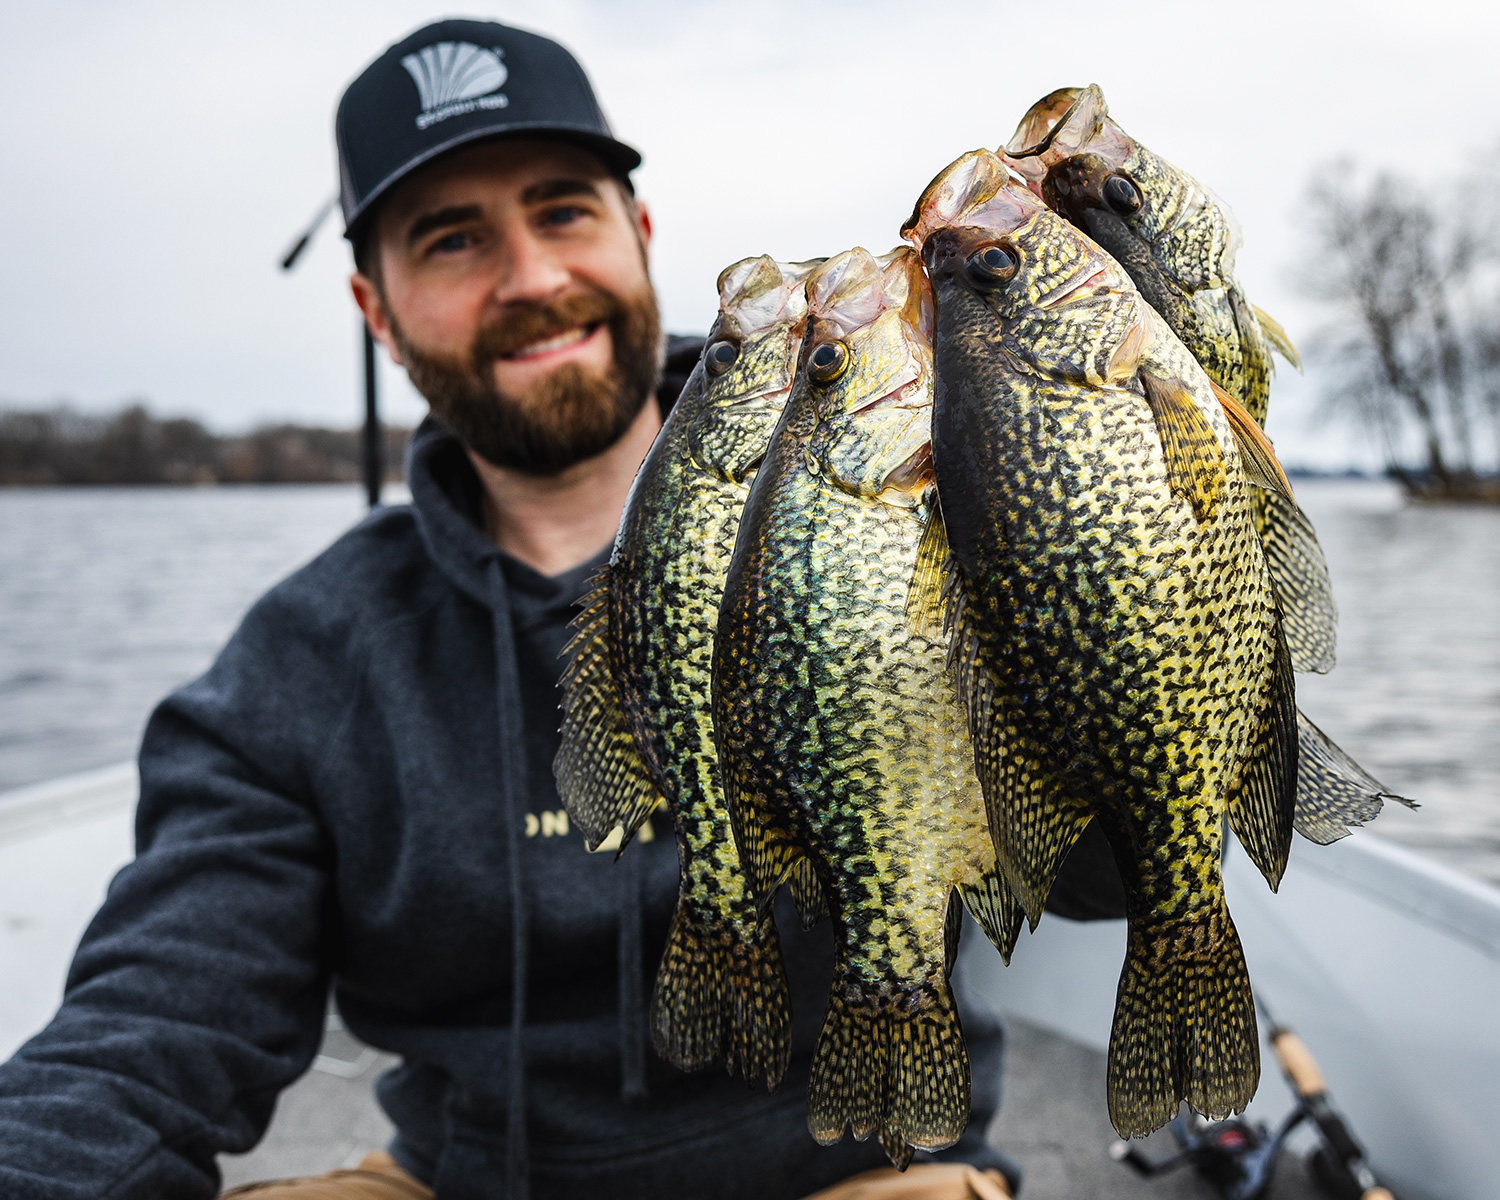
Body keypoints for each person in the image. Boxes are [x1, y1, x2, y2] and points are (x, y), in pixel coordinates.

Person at [0, 19, 1034, 1200]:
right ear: (374, 308)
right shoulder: (306, 659)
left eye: (563, 210)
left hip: (871, 1166)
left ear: (638, 236)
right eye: (451, 239)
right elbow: (146, 1030)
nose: (534, 278)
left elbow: (1098, 859)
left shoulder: (915, 517)